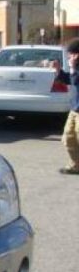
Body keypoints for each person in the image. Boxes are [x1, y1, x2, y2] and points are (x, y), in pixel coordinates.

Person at [54, 38, 79, 175]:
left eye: (71, 54)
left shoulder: (76, 67)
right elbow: (70, 79)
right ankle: (76, 165)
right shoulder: (76, 67)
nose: (69, 56)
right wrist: (58, 71)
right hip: (75, 109)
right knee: (68, 138)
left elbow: (76, 79)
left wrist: (72, 66)